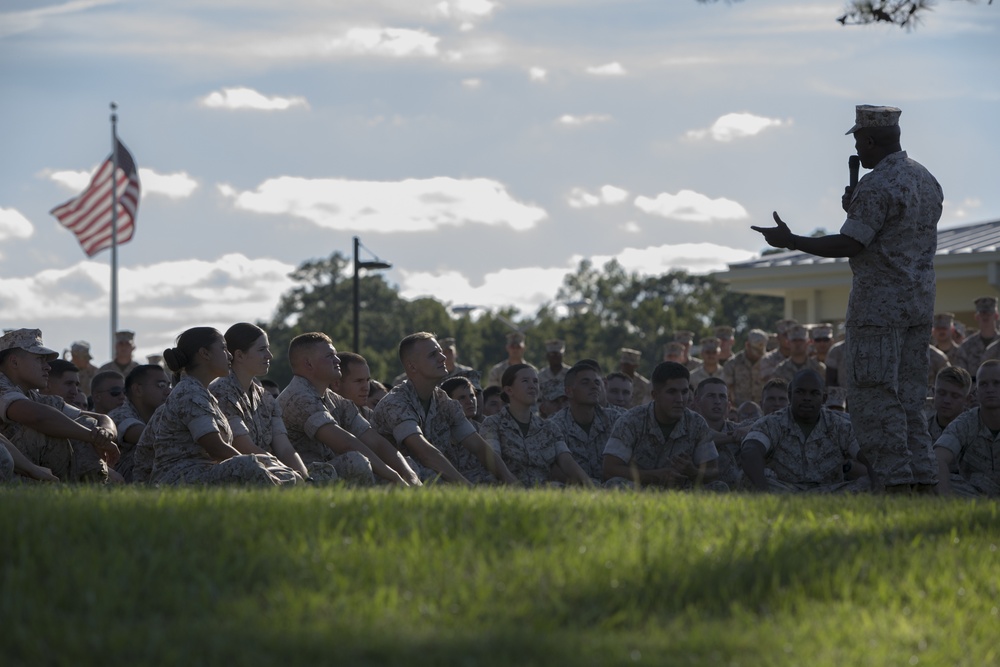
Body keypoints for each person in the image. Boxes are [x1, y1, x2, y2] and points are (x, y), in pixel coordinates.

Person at [752, 104, 943, 492]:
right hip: (919, 309)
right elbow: (896, 231)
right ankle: (924, 485)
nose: (858, 149)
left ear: (870, 140)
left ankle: (895, 489)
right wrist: (855, 208)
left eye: (859, 140)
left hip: (878, 312)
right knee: (909, 403)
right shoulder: (926, 180)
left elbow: (851, 242)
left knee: (875, 402)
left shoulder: (877, 186)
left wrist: (792, 241)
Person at [148, 327, 299, 486]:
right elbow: (216, 447)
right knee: (249, 465)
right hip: (179, 477)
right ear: (205, 354)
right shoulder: (189, 392)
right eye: (223, 348)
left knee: (274, 468)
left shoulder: (202, 392)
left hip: (201, 472)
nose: (229, 355)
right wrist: (254, 464)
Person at [372, 332, 518, 485]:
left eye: (440, 352)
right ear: (412, 366)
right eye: (433, 354)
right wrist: (466, 487)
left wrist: (509, 479)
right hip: (401, 480)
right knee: (431, 476)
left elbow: (478, 447)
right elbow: (425, 454)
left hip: (431, 472)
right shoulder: (396, 403)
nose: (443, 358)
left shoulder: (443, 401)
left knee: (491, 478)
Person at [277, 332, 419, 486]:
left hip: (329, 470)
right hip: (304, 477)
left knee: (407, 464)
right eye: (330, 356)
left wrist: (407, 474)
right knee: (355, 461)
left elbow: (375, 441)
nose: (337, 360)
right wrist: (395, 476)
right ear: (309, 364)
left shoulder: (332, 398)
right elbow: (346, 443)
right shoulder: (299, 397)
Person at [0, 328, 118, 483]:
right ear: (14, 362)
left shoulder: (32, 395)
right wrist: (92, 437)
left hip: (28, 470)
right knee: (53, 428)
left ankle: (92, 487)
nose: (48, 367)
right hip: (12, 472)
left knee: (85, 423)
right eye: (39, 359)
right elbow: (38, 417)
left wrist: (104, 433)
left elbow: (99, 417)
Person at [210, 324, 311, 482]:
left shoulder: (266, 398)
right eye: (262, 349)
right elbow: (244, 447)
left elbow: (284, 448)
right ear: (239, 355)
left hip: (267, 467)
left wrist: (305, 478)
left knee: (324, 473)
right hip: (238, 472)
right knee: (289, 479)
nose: (269, 355)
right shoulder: (221, 392)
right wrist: (289, 474)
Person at [741, 369, 871, 493]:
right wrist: (764, 491)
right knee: (747, 477)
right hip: (784, 491)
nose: (807, 398)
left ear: (824, 399)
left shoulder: (839, 425)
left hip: (829, 491)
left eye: (814, 393)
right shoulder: (772, 422)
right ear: (790, 396)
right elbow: (750, 450)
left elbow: (868, 455)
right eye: (800, 392)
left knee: (872, 481)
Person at [602, 361, 722, 490]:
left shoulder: (696, 423)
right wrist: (654, 476)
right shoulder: (631, 421)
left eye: (684, 392)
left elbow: (713, 471)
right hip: (640, 491)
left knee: (719, 487)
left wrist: (693, 471)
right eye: (672, 392)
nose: (680, 399)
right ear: (655, 395)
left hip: (682, 491)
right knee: (615, 485)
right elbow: (609, 468)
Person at [479, 364, 591, 487]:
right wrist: (515, 485)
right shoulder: (492, 424)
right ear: (509, 390)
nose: (532, 386)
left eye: (535, 381)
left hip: (542, 489)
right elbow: (494, 461)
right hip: (506, 487)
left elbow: (566, 461)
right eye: (525, 381)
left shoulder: (549, 428)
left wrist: (589, 485)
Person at [934, 360, 1000, 497]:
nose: (990, 389)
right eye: (983, 384)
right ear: (976, 391)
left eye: (997, 383)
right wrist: (943, 502)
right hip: (975, 496)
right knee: (930, 479)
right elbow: (939, 458)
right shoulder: (965, 423)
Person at [548, 363, 619, 480]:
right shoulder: (555, 425)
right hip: (576, 487)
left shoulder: (614, 419)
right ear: (569, 391)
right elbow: (552, 469)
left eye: (597, 383)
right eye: (585, 383)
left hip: (610, 485)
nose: (594, 387)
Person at [109, 364, 172, 481]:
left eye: (169, 385)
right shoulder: (119, 415)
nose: (169, 391)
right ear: (138, 389)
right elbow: (148, 438)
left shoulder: (160, 415)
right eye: (161, 385)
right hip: (124, 481)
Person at [692, 377, 747, 489]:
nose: (717, 401)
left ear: (729, 405)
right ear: (697, 402)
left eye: (722, 396)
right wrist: (732, 438)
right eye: (711, 396)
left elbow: (764, 423)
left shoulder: (737, 428)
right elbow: (704, 434)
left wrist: (746, 430)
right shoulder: (689, 429)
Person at [720, 329, 768, 407]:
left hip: (764, 411)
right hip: (739, 412)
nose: (758, 354)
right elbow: (725, 390)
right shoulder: (732, 364)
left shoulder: (768, 362)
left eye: (760, 351)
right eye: (755, 350)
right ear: (747, 345)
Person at [928, 366, 972, 444]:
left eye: (955, 396)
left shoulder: (975, 429)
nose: (947, 400)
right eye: (941, 393)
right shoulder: (920, 425)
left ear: (967, 400)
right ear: (934, 392)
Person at [958, 297, 1000, 374]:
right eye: (982, 313)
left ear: (997, 316)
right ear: (976, 317)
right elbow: (962, 376)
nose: (985, 316)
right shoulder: (966, 346)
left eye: (989, 313)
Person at [333, 351, 374, 420]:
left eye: (367, 380)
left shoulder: (369, 416)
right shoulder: (327, 413)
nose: (366, 388)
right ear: (336, 384)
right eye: (359, 381)